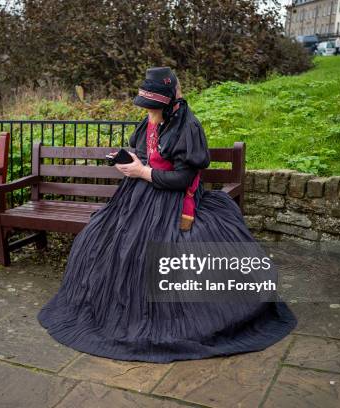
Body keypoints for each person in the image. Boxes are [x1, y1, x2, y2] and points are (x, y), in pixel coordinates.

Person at [37, 67, 297, 363]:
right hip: (137, 198)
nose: (150, 112)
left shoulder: (189, 127)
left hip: (173, 200)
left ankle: (181, 321)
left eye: (155, 106)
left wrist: (142, 171)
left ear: (171, 100)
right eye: (147, 106)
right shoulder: (149, 119)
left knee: (157, 250)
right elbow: (149, 154)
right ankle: (113, 312)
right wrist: (131, 162)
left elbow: (183, 179)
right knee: (98, 237)